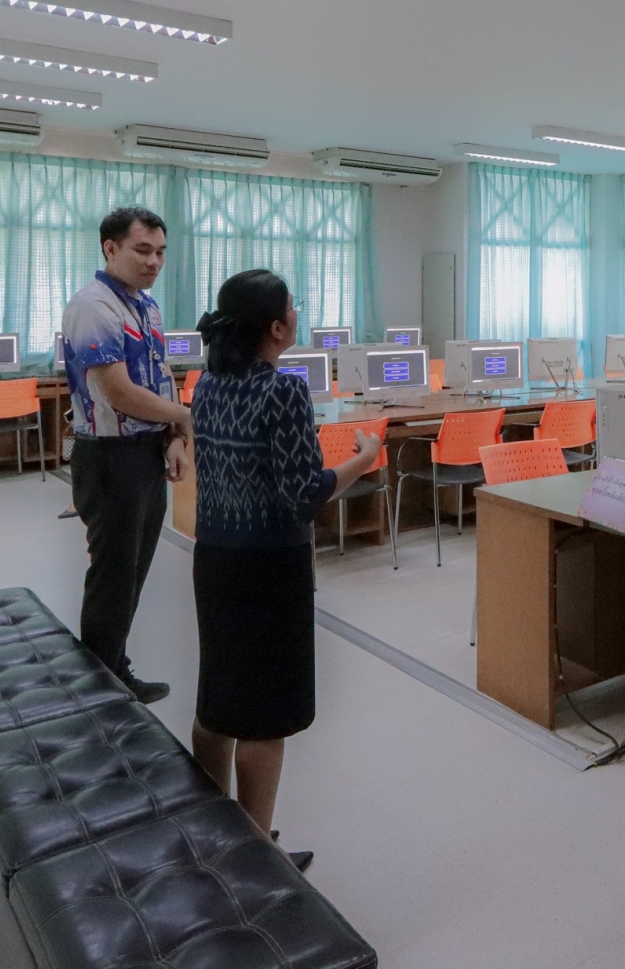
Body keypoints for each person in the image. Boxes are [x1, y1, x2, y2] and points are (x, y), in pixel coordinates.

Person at [187, 269, 380, 872]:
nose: (297, 313)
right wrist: (363, 460)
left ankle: (215, 832)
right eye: (292, 307)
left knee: (218, 699)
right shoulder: (284, 391)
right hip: (269, 567)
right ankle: (256, 858)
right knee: (265, 718)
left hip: (215, 558)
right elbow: (304, 495)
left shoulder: (206, 385)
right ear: (276, 327)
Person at [61, 206, 191, 705]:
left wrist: (174, 435)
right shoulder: (94, 307)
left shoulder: (146, 308)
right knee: (113, 576)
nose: (154, 261)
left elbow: (161, 377)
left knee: (133, 571)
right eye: (142, 250)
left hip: (145, 451)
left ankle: (113, 668)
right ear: (110, 248)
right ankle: (101, 687)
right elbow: (116, 391)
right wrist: (188, 416)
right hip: (110, 458)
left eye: (160, 252)